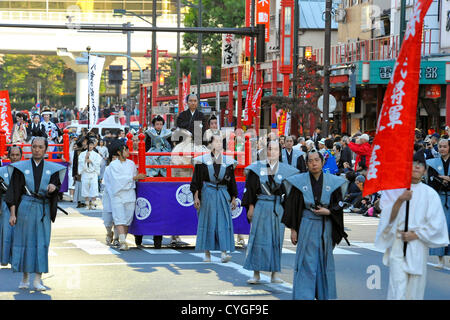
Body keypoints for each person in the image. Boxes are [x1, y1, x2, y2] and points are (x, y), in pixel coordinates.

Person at [375, 150, 449, 300]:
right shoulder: (395, 190)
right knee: (397, 288)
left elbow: (436, 223)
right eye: (412, 164)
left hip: (417, 245)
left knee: (414, 290)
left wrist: (416, 234)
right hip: (398, 242)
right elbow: (387, 217)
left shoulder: (430, 194)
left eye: (420, 165)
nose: (416, 167)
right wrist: (400, 199)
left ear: (425, 170)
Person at [282, 150, 347, 300]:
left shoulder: (333, 181)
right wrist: (293, 230)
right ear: (306, 164)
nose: (314, 163)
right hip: (306, 224)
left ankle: (325, 295)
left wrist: (329, 211)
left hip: (326, 225)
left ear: (322, 162)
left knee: (325, 262)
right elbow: (293, 207)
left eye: (317, 160)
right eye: (310, 161)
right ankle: (304, 296)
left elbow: (339, 205)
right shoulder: (299, 182)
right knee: (306, 261)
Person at [6, 137, 66, 291]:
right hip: (25, 206)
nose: (37, 150)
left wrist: (54, 186)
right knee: (24, 242)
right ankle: (25, 277)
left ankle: (37, 279)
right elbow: (13, 191)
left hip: (43, 209)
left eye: (40, 147)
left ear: (46, 149)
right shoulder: (21, 167)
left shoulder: (53, 168)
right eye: (34, 147)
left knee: (42, 243)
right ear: (30, 148)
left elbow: (57, 186)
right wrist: (13, 214)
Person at [242, 140, 299, 284]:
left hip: (277, 207)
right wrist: (250, 206)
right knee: (257, 239)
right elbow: (250, 189)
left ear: (279, 152)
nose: (272, 152)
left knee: (276, 239)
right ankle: (256, 273)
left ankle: (274, 274)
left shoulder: (287, 171)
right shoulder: (256, 168)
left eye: (275, 149)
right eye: (269, 149)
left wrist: (289, 214)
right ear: (265, 151)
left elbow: (290, 194)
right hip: (261, 204)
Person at [191, 134, 238, 263]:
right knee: (208, 221)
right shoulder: (202, 160)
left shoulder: (228, 161)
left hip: (222, 192)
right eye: (216, 141)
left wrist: (233, 197)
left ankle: (224, 252)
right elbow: (196, 180)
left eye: (220, 142)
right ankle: (207, 253)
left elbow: (231, 181)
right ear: (211, 144)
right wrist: (196, 196)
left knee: (223, 222)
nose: (218, 144)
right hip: (207, 192)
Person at [105, 144, 146, 250]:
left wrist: (135, 178)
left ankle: (122, 238)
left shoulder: (131, 164)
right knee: (119, 218)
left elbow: (134, 178)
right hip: (118, 194)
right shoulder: (113, 165)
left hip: (129, 193)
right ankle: (123, 242)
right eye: (126, 150)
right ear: (119, 152)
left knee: (128, 218)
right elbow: (117, 180)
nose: (128, 151)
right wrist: (134, 177)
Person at [425, 138, 450, 268]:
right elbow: (432, 181)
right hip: (439, 198)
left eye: (445, 146)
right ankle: (440, 259)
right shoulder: (433, 163)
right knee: (440, 228)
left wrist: (446, 179)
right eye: (440, 146)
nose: (442, 149)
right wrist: (443, 181)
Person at [0, 146, 22, 266]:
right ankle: (4, 258)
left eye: (17, 155)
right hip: (5, 204)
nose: (14, 157)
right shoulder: (2, 171)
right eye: (12, 155)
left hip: (22, 204)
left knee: (19, 233)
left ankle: (17, 259)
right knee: (6, 232)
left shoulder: (25, 171)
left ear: (21, 156)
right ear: (9, 156)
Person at [78, 139, 102, 210]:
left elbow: (98, 163)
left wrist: (91, 161)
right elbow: (80, 162)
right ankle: (87, 203)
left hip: (93, 173)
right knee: (85, 188)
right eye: (89, 145)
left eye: (92, 145)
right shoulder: (82, 154)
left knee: (94, 188)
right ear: (87, 146)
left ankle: (93, 203)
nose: (90, 146)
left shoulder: (96, 155)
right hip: (85, 173)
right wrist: (85, 159)